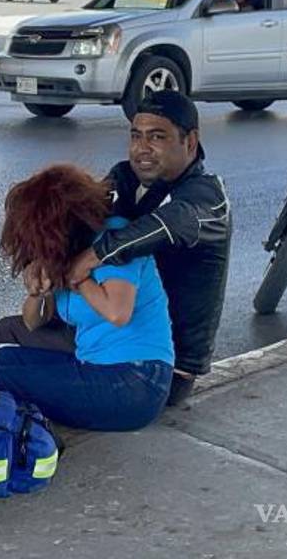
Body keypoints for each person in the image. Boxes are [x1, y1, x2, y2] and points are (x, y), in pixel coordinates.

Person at [0, 165, 175, 432]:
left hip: (137, 382)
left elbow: (118, 313)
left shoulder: (113, 240)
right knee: (3, 360)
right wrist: (37, 293)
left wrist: (79, 277)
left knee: (1, 377)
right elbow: (33, 323)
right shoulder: (67, 248)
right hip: (98, 366)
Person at [69, 90, 231, 408]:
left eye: (157, 137)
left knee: (15, 361)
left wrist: (91, 258)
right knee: (14, 333)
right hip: (117, 337)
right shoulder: (127, 178)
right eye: (136, 136)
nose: (142, 149)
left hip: (164, 370)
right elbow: (82, 218)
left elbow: (165, 225)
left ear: (190, 142)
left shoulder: (208, 197)